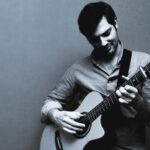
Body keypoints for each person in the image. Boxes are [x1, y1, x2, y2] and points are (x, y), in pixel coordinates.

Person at [41, 1, 150, 150]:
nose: (103, 43)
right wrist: (56, 115)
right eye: (95, 39)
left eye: (106, 33)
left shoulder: (144, 63)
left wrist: (138, 102)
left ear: (115, 23)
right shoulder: (77, 70)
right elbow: (48, 104)